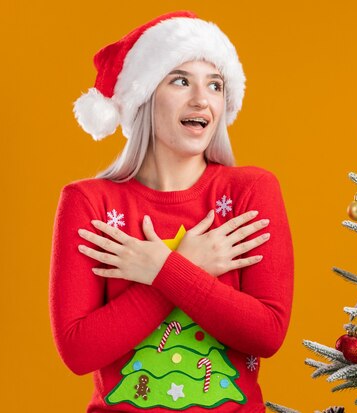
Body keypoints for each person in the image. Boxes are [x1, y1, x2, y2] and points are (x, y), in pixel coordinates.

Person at [49, 11, 293, 413]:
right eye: (180, 80)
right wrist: (184, 265)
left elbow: (266, 334)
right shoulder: (90, 202)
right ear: (143, 96)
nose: (201, 99)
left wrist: (164, 269)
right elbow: (78, 351)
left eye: (215, 85)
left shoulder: (250, 191)